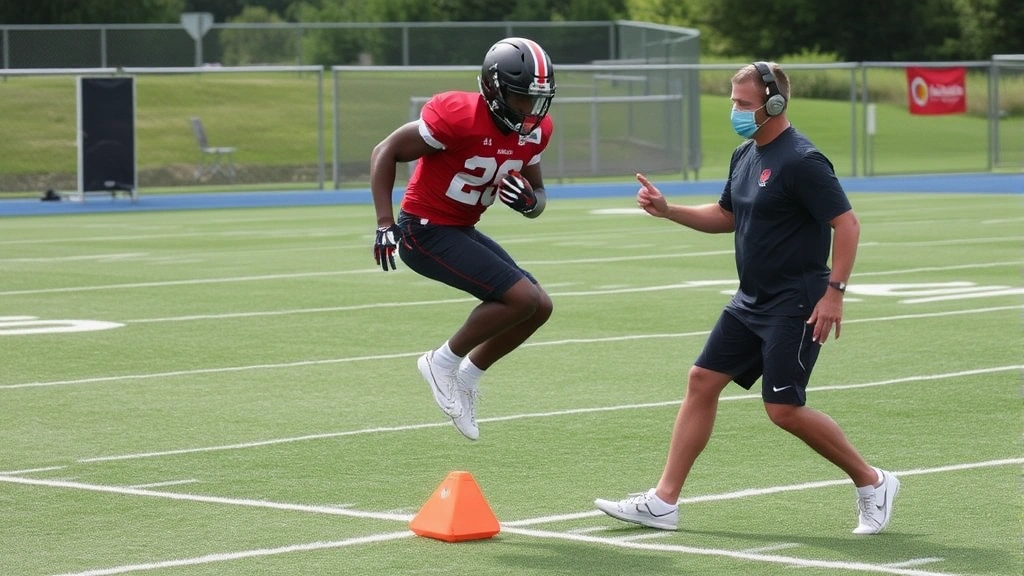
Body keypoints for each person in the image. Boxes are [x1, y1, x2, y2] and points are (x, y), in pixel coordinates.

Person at [594, 62, 899, 535]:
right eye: (733, 101)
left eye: (743, 103)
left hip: (796, 302)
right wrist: (668, 210)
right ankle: (663, 502)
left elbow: (848, 224)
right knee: (701, 380)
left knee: (783, 410)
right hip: (750, 299)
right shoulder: (745, 155)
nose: (734, 111)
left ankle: (872, 481)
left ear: (774, 102)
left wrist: (834, 294)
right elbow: (725, 216)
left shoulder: (803, 161)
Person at [369, 37, 557, 441]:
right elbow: (385, 150)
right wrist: (385, 222)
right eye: (522, 99)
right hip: (423, 230)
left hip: (460, 228)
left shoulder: (535, 130)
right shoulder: (457, 115)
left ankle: (467, 377)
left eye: (539, 101)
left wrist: (529, 203)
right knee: (521, 298)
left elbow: (540, 197)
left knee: (540, 306)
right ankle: (441, 362)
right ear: (493, 89)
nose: (531, 111)